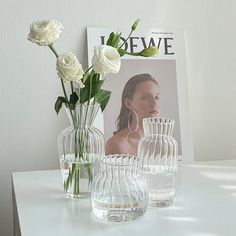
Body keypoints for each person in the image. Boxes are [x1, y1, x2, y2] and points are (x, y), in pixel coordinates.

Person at [105, 73, 160, 155]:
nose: (154, 103)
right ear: (128, 103)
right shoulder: (117, 144)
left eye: (156, 97)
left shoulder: (162, 143)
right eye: (145, 97)